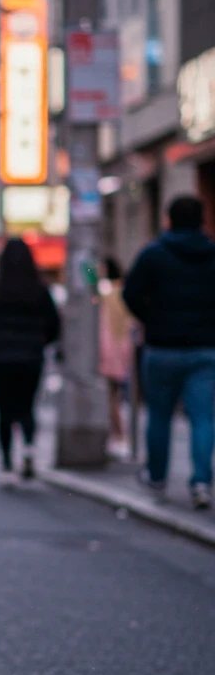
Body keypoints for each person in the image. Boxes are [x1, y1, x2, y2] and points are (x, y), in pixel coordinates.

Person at [123, 195, 215, 509]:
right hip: (205, 348)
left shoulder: (154, 255)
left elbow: (130, 293)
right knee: (203, 417)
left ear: (169, 219)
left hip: (162, 347)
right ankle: (201, 481)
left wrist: (151, 318)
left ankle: (157, 476)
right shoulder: (212, 254)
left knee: (159, 415)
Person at [0, 238, 60, 485]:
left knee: (4, 410)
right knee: (27, 406)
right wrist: (40, 342)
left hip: (0, 355)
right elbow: (54, 325)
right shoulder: (40, 290)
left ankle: (7, 462)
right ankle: (29, 449)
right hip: (31, 355)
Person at [98, 257, 133, 455]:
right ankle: (119, 436)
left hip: (109, 347)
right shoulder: (123, 291)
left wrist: (86, 266)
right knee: (115, 394)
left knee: (112, 395)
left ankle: (118, 436)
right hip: (121, 346)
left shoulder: (107, 292)